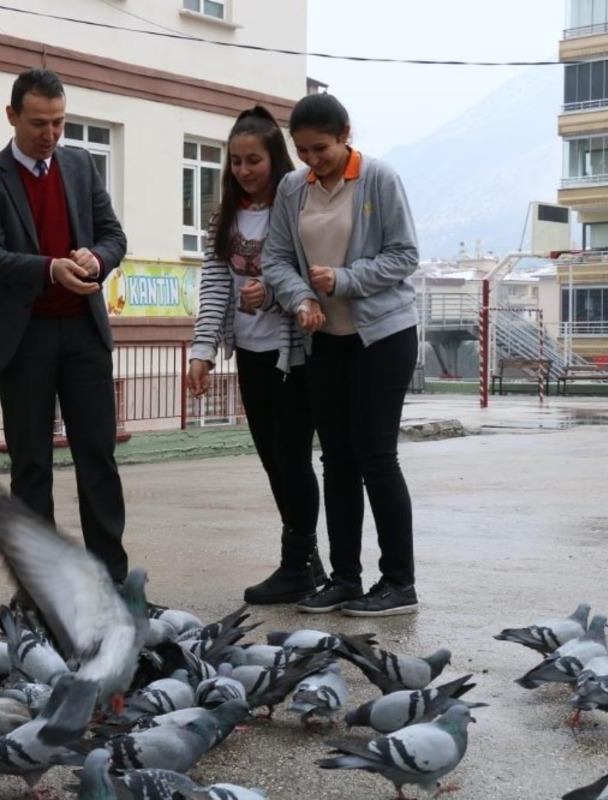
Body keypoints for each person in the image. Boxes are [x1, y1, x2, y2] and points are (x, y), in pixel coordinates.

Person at [0, 68, 129, 582]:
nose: (51, 135)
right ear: (12, 116)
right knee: (31, 467)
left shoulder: (79, 166)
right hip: (25, 337)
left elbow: (113, 236)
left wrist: (96, 260)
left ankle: (110, 581)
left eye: (59, 123)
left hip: (83, 332)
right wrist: (49, 268)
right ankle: (43, 588)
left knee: (97, 458)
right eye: (39, 123)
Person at [261, 93, 421, 616]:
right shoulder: (292, 188)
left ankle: (398, 582)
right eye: (303, 151)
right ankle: (345, 579)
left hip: (383, 338)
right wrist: (302, 297)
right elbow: (277, 258)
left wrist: (345, 280)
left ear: (346, 134)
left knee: (376, 456)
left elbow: (405, 255)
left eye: (321, 149)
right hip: (324, 340)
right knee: (336, 461)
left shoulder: (379, 179)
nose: (312, 160)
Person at [187, 106, 322, 605]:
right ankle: (308, 560)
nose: (243, 172)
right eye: (236, 162)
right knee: (271, 460)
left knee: (292, 459)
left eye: (254, 162)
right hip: (248, 351)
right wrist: (203, 351)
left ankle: (296, 566)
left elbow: (307, 278)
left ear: (275, 161)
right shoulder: (226, 215)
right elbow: (216, 283)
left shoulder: (297, 206)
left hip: (294, 355)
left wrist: (269, 292)